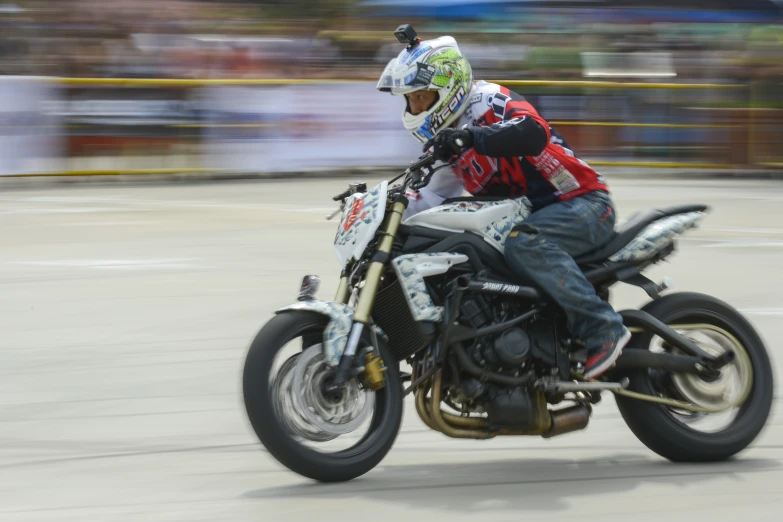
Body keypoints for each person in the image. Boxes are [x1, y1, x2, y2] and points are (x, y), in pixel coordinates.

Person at [376, 34, 631, 379]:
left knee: (526, 243)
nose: (416, 108)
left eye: (421, 98)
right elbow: (427, 198)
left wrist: (473, 137)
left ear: (448, 84)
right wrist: (382, 216)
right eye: (411, 101)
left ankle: (603, 328)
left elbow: (533, 130)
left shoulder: (487, 100)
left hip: (581, 203)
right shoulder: (448, 142)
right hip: (533, 217)